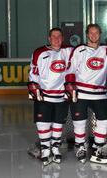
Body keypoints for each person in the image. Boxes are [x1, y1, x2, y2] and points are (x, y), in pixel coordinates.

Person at [64, 24, 107, 164]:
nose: (94, 35)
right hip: (81, 93)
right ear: (87, 34)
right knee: (79, 123)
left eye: (96, 33)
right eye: (91, 33)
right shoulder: (79, 50)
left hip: (100, 93)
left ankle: (98, 147)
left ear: (100, 33)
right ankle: (80, 147)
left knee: (104, 121)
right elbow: (70, 70)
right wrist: (71, 87)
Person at [27, 27, 73, 166]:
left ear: (63, 38)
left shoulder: (69, 51)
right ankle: (46, 151)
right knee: (44, 123)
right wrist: (34, 88)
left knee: (58, 124)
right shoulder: (39, 52)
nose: (57, 39)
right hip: (44, 96)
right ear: (49, 38)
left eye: (59, 36)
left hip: (62, 96)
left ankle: (55, 149)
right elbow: (33, 73)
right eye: (54, 36)